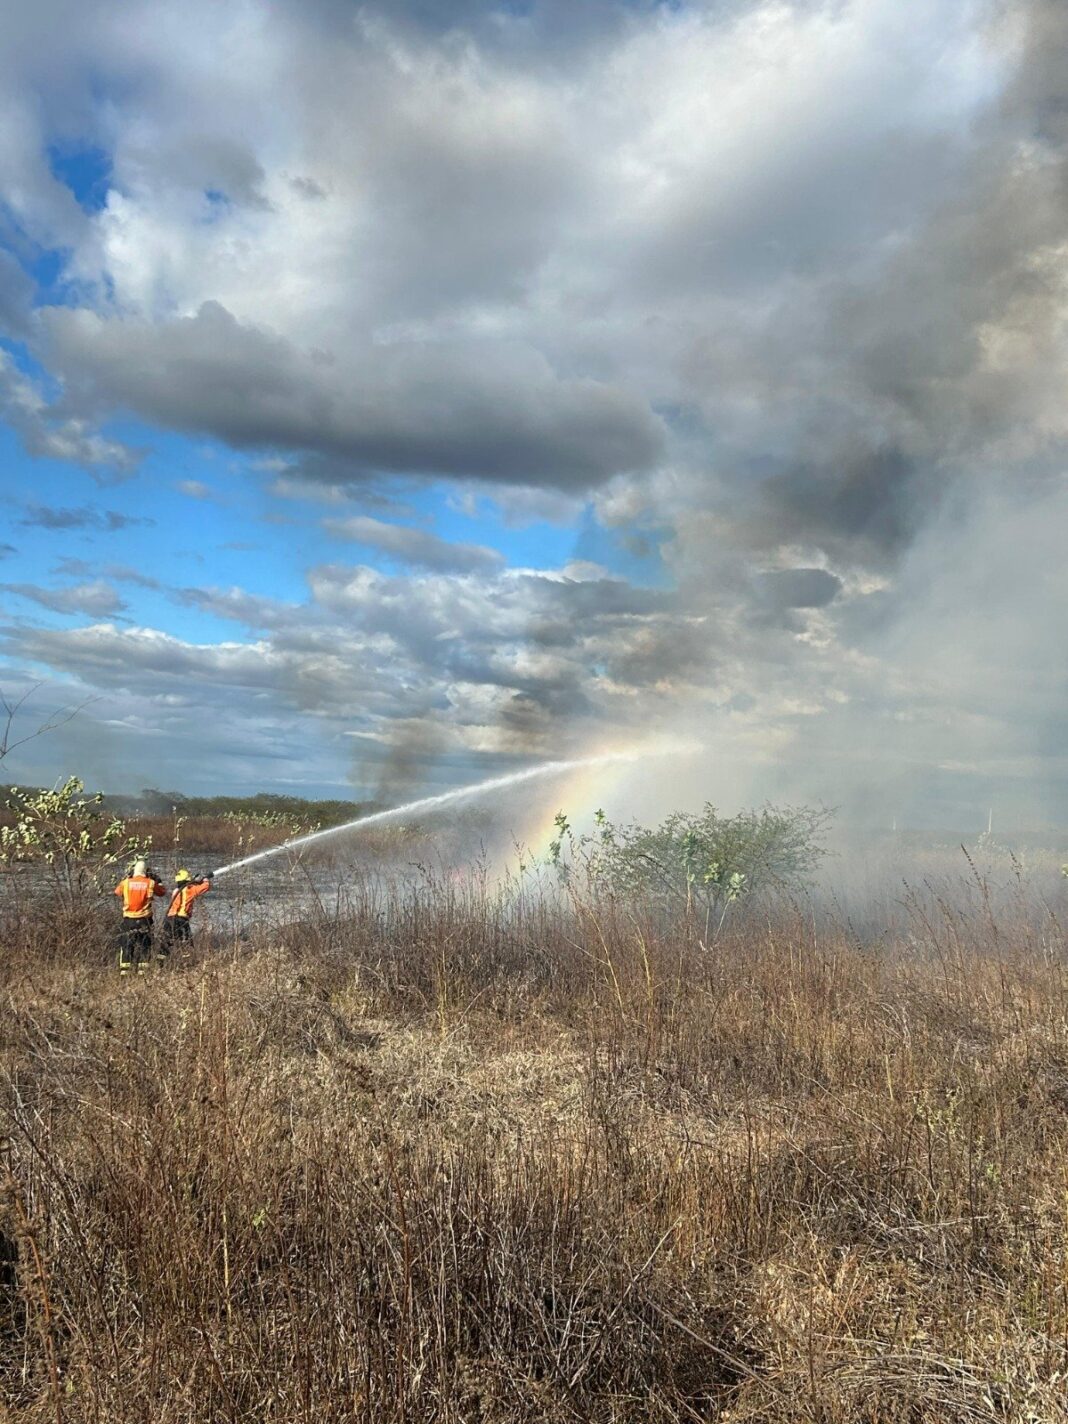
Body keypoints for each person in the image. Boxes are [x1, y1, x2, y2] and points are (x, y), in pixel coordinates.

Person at [114, 858, 166, 976]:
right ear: (146, 871)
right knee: (145, 947)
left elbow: (117, 892)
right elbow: (162, 892)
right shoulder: (150, 883)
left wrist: (126, 878)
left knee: (127, 946)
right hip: (144, 921)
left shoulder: (126, 882)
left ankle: (124, 975)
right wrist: (158, 881)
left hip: (128, 921)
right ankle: (143, 975)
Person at [160, 869, 213, 959]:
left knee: (166, 943)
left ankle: (160, 963)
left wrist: (195, 882)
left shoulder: (176, 891)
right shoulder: (189, 890)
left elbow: (189, 887)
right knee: (187, 945)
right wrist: (205, 879)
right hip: (181, 920)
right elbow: (206, 887)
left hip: (169, 920)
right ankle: (186, 964)